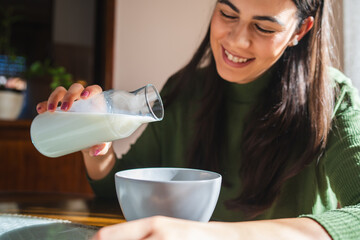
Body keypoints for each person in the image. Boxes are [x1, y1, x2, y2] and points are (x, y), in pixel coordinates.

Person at [36, 0, 360, 239]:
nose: (235, 40)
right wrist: (97, 141)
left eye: (263, 27)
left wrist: (207, 235)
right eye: (227, 14)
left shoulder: (333, 99)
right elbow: (114, 189)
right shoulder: (185, 89)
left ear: (300, 30)